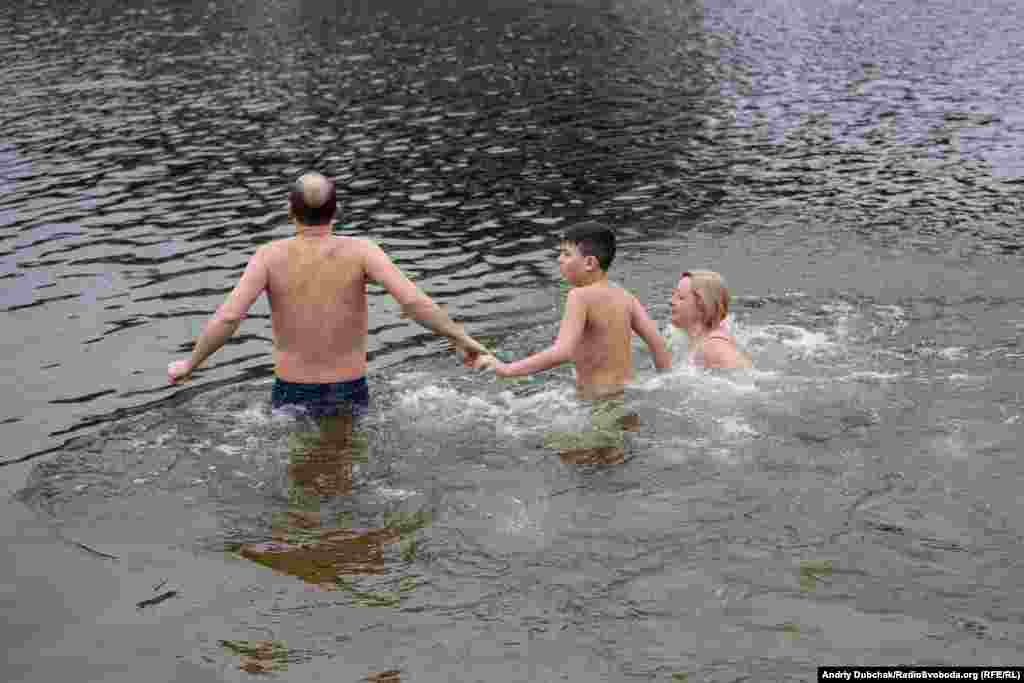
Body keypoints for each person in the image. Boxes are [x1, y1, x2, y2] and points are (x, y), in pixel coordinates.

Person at [167, 172, 489, 417]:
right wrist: (460, 337)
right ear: (337, 211)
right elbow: (413, 302)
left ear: (289, 211)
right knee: (347, 472)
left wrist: (190, 365)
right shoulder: (363, 252)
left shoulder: (268, 256)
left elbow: (230, 317)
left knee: (302, 481)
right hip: (350, 389)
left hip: (292, 391)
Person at [473, 221, 672, 399]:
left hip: (597, 401)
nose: (559, 259)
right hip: (628, 396)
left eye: (566, 254)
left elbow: (563, 351)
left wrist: (507, 369)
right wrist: (664, 384)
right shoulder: (626, 296)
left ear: (589, 263)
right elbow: (658, 343)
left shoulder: (579, 296)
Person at [670, 270, 752, 369]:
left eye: (680, 297)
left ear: (702, 306)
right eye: (673, 295)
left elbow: (743, 376)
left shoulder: (714, 345)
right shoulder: (693, 339)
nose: (671, 301)